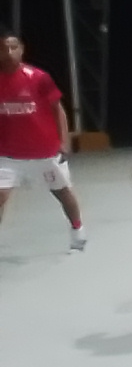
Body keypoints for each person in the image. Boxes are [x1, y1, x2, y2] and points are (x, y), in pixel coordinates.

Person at [0, 28, 86, 251]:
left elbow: (58, 110)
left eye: (13, 47)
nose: (8, 53)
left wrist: (64, 142)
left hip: (44, 153)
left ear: (21, 49)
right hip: (8, 155)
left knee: (62, 192)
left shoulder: (38, 77)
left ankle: (77, 230)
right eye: (3, 49)